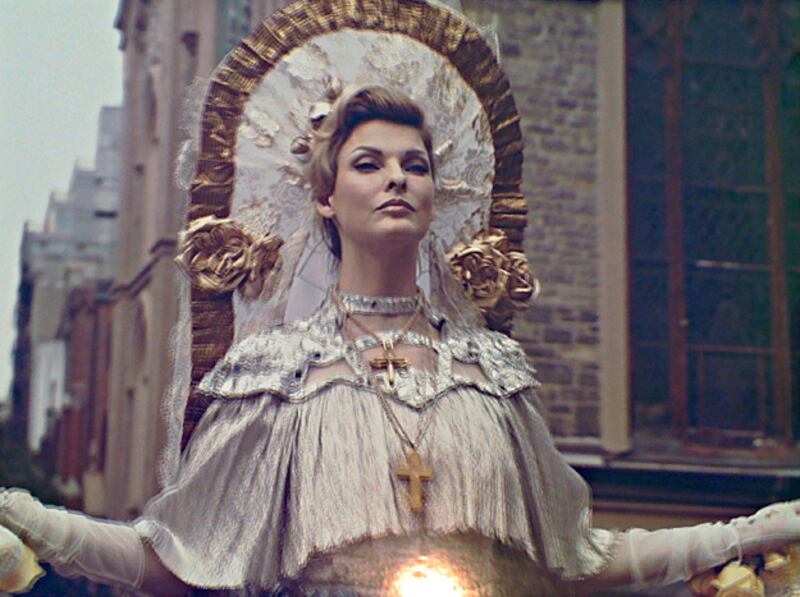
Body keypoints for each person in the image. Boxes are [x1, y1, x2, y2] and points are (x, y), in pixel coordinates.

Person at [2, 2, 799, 596]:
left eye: (415, 165)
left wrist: (741, 533)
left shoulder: (493, 374)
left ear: (434, 194)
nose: (396, 179)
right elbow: (173, 558)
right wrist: (33, 520)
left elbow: (579, 558)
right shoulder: (271, 374)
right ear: (324, 197)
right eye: (369, 163)